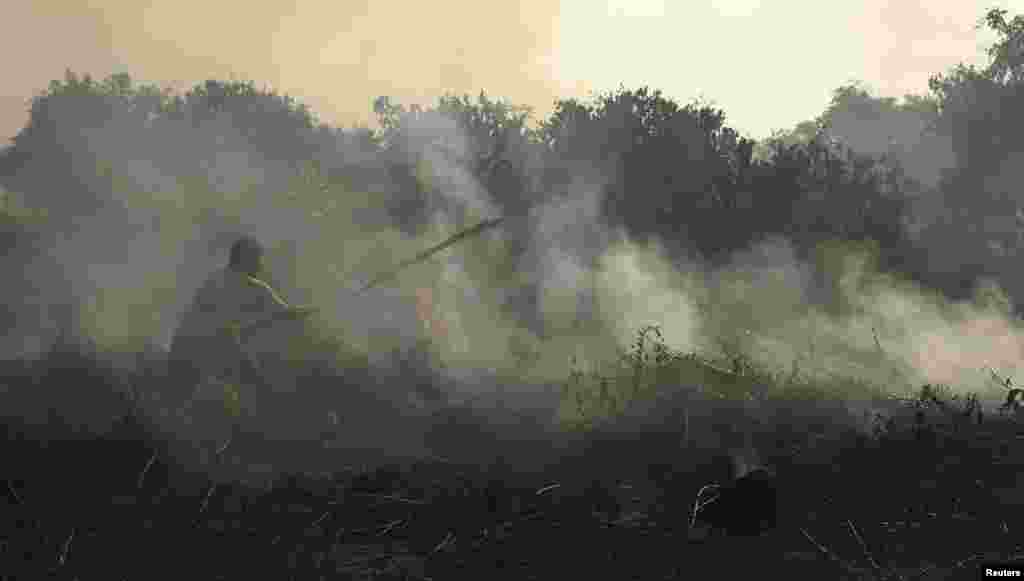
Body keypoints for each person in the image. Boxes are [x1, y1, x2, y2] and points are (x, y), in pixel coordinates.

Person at [165, 236, 316, 467]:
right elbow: (286, 313)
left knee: (178, 401)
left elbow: (211, 317)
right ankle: (240, 445)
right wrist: (310, 311)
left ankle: (176, 446)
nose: (260, 266)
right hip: (212, 345)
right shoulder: (251, 286)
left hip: (184, 344)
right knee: (257, 389)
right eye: (257, 260)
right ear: (246, 259)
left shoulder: (213, 279)